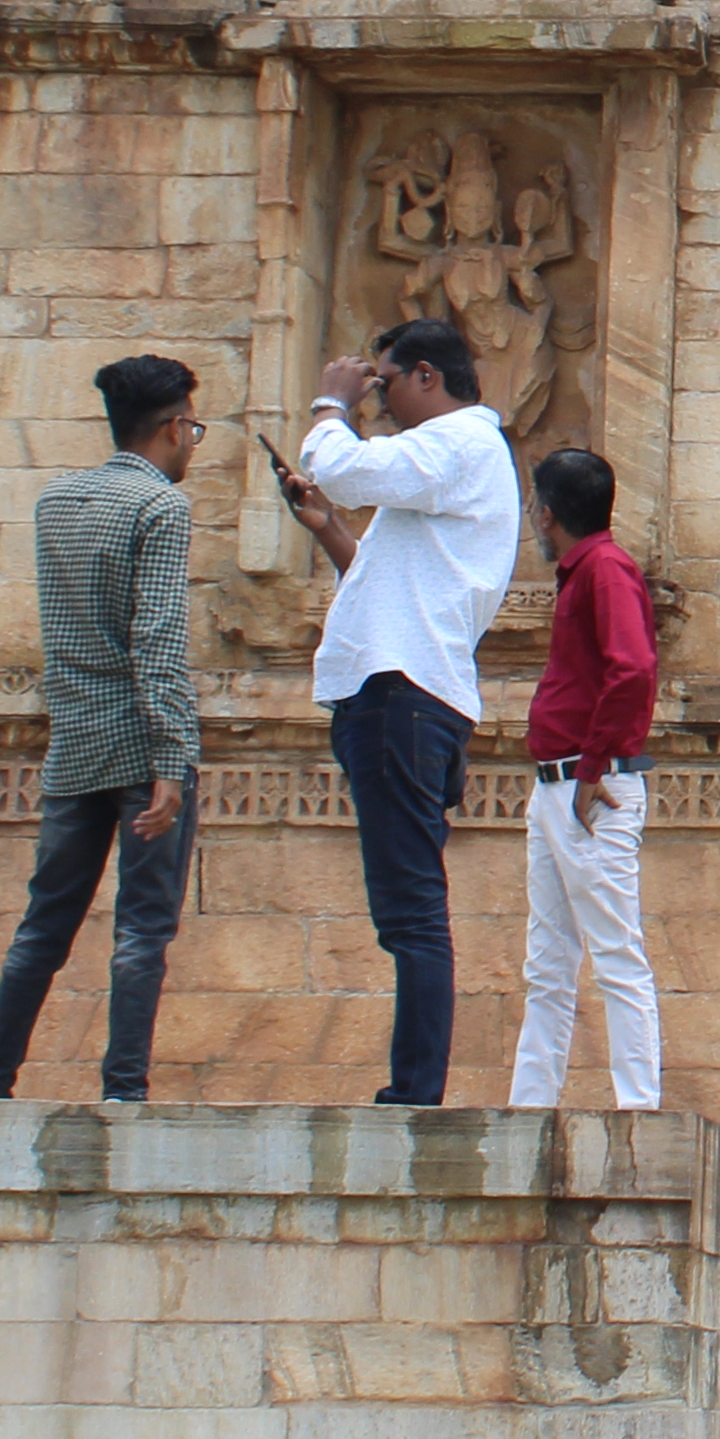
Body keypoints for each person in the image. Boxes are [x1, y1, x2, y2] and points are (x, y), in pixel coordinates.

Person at [280, 315, 522, 1105]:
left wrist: (330, 401)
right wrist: (328, 529)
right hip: (415, 691)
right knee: (410, 907)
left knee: (411, 913)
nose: (376, 399)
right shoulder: (454, 463)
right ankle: (413, 1088)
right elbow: (387, 583)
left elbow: (342, 466)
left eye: (384, 383)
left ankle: (414, 1096)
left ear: (426, 375)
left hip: (403, 697)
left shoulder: (458, 444)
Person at [0, 352, 203, 1103]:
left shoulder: (57, 502)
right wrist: (173, 761)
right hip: (142, 747)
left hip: (74, 741)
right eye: (192, 427)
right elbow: (159, 642)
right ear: (173, 428)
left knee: (43, 926)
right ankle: (123, 1092)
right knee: (142, 931)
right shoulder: (160, 508)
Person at [505, 443, 663, 1113]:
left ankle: (639, 1108)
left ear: (545, 513)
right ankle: (531, 1104)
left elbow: (634, 668)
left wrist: (595, 763)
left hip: (589, 786)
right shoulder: (593, 569)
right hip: (564, 786)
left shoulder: (603, 569)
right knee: (548, 964)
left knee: (615, 954)